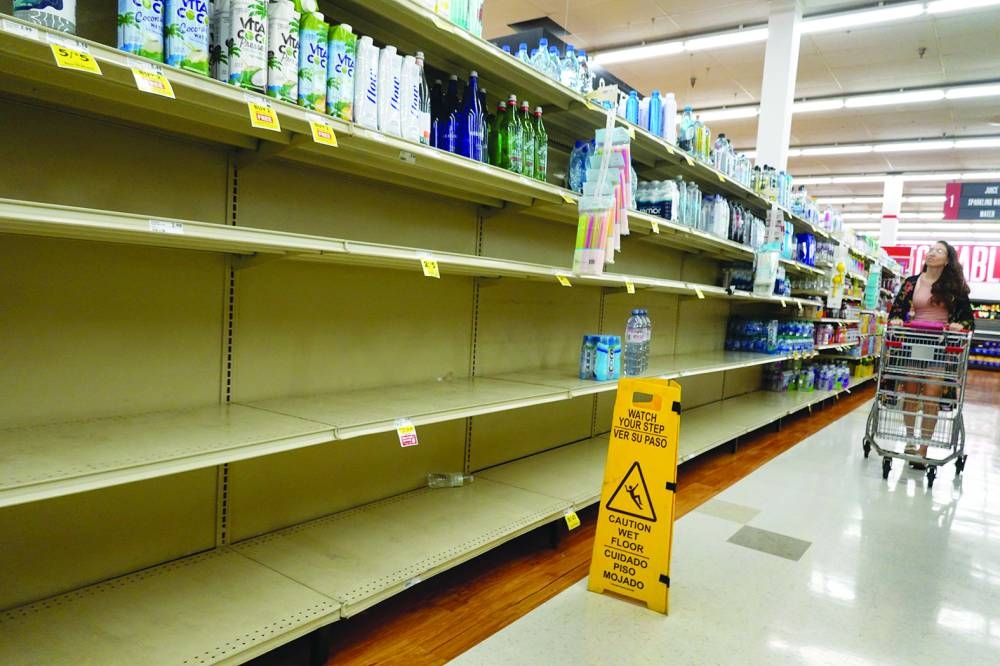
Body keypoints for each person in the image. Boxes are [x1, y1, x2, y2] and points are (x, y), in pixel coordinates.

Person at [887, 241, 974, 468]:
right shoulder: (911, 283)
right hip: (913, 341)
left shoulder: (955, 287)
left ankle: (923, 447)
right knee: (912, 391)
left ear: (947, 260)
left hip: (940, 345)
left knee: (931, 396)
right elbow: (897, 309)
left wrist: (958, 325)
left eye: (939, 251)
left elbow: (967, 318)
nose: (932, 253)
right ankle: (909, 438)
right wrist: (897, 319)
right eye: (931, 249)